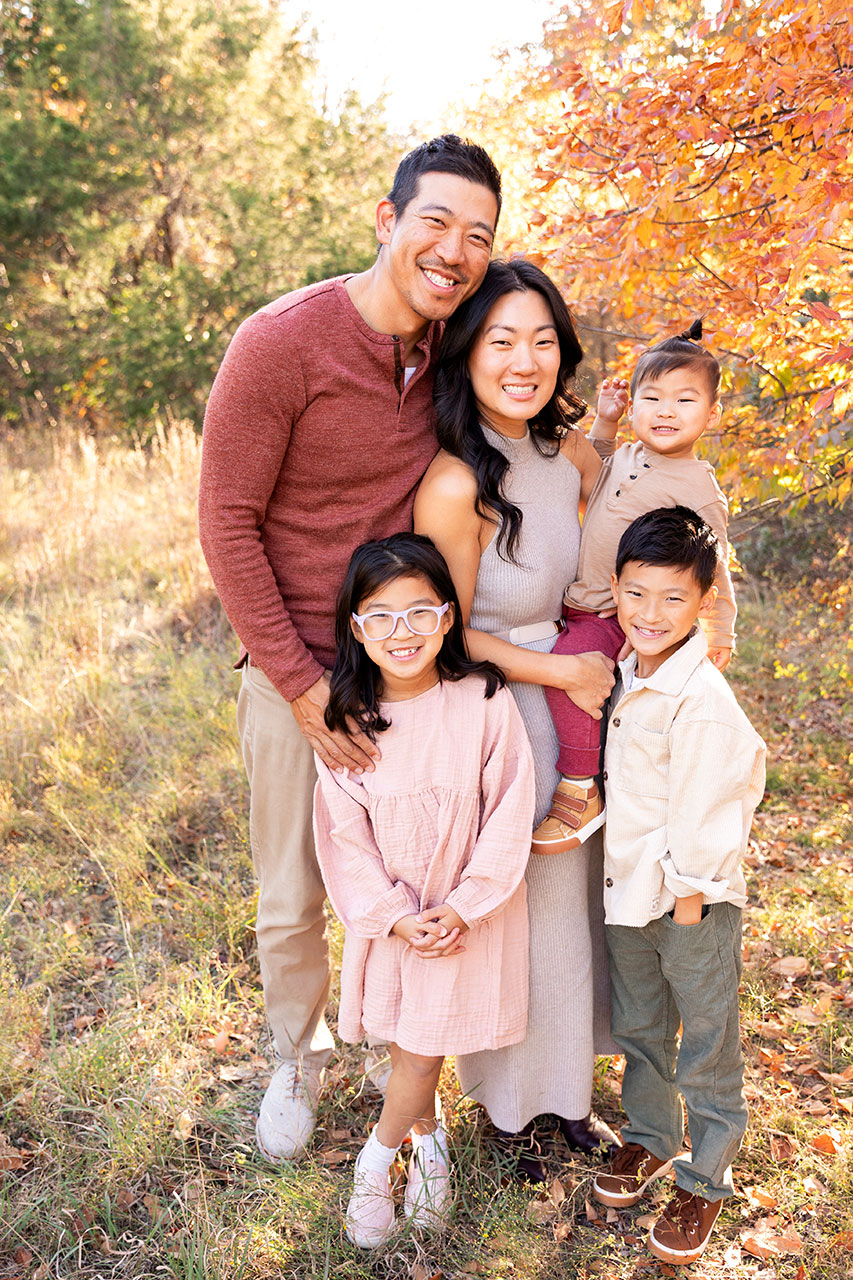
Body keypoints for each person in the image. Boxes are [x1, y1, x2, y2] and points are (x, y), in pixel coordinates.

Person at [198, 135, 502, 1162]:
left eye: (478, 236)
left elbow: (531, 410)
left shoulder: (448, 351)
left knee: (411, 875)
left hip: (410, 667)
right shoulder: (281, 341)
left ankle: (393, 1048)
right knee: (294, 886)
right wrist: (295, 684)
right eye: (436, 222)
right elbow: (225, 523)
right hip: (293, 665)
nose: (455, 250)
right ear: (386, 219)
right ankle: (297, 1051)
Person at [414, 257, 619, 1177]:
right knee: (523, 906)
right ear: (467, 352)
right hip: (505, 702)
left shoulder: (564, 452)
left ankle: (567, 1095)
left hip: (582, 687)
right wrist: (560, 674)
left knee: (578, 904)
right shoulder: (456, 482)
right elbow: (449, 635)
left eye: (542, 340)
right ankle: (505, 1106)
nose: (523, 359)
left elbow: (612, 512)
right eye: (501, 339)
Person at [313, 533, 536, 1247]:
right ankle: (429, 1145)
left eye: (418, 613)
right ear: (355, 627)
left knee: (419, 1051)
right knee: (413, 1039)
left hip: (463, 914)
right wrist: (391, 917)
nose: (399, 632)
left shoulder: (481, 701)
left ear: (446, 618)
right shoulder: (348, 725)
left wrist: (464, 904)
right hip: (399, 918)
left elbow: (509, 808)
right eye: (379, 616)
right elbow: (343, 837)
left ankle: (374, 1165)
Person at [591, 506, 766, 1265]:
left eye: (672, 598)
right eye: (636, 594)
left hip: (688, 904)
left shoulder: (701, 701)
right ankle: (651, 1138)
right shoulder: (627, 671)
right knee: (639, 1028)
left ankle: (705, 1175)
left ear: (703, 603)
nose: (650, 614)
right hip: (627, 889)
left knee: (704, 1043)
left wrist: (690, 905)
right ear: (615, 590)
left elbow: (710, 807)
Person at [533, 321, 738, 854]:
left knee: (573, 673)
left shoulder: (697, 483)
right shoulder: (624, 454)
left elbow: (715, 560)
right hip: (580, 597)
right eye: (651, 398)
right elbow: (592, 474)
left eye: (684, 400)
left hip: (614, 614)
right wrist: (603, 420)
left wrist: (721, 631)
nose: (665, 411)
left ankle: (580, 788)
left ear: (712, 415)